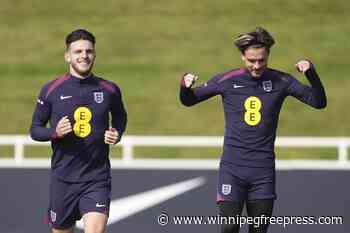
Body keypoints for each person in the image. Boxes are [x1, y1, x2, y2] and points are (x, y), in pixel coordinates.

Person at [179, 27, 326, 233]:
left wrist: (310, 73)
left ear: (268, 56)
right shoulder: (227, 80)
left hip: (263, 172)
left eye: (261, 60)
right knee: (229, 228)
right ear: (242, 56)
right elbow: (189, 100)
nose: (257, 66)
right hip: (232, 169)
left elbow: (319, 102)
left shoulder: (282, 81)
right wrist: (184, 85)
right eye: (251, 61)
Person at [30, 29, 127, 233]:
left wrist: (116, 132)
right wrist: (54, 133)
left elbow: (120, 116)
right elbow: (35, 130)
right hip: (63, 179)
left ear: (94, 54)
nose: (84, 56)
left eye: (89, 51)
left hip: (97, 179)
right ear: (68, 56)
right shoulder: (51, 90)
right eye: (78, 51)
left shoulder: (109, 89)